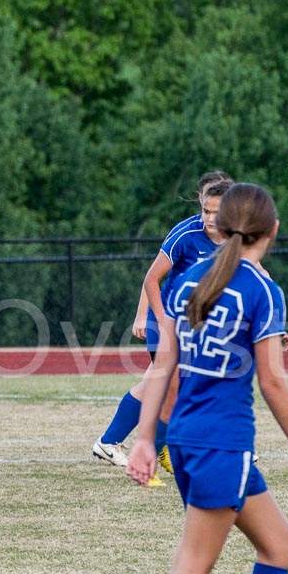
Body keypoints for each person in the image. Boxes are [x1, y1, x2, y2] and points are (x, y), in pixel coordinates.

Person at [126, 183, 288, 574]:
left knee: (279, 543)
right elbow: (274, 382)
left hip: (191, 442)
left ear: (221, 224)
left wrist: (149, 437)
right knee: (192, 569)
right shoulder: (261, 288)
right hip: (223, 446)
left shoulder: (191, 277)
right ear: (272, 230)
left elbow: (163, 366)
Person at [92, 172, 233, 482]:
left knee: (157, 384)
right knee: (177, 385)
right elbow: (152, 278)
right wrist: (151, 317)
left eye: (216, 211)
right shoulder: (186, 234)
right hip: (166, 322)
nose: (209, 217)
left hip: (194, 327)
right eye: (205, 210)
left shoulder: (236, 237)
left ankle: (110, 442)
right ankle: (162, 451)